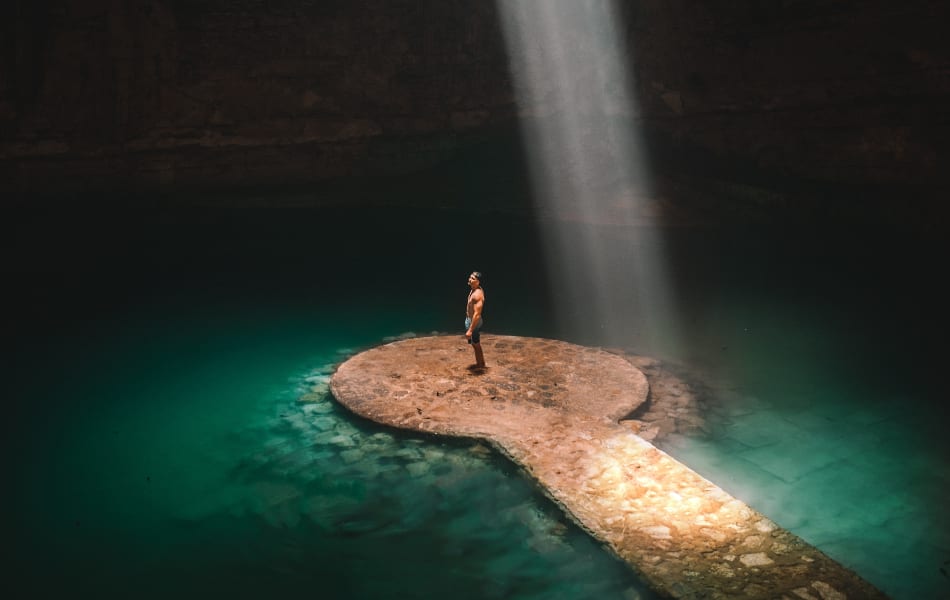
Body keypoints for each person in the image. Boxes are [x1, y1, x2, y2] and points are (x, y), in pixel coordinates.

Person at [465, 271, 486, 369]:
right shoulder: (473, 289)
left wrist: (470, 330)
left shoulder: (477, 294)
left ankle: (480, 364)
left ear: (478, 282)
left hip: (474, 323)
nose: (470, 279)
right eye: (470, 277)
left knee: (476, 344)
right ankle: (480, 362)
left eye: (473, 278)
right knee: (474, 343)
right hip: (470, 320)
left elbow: (477, 314)